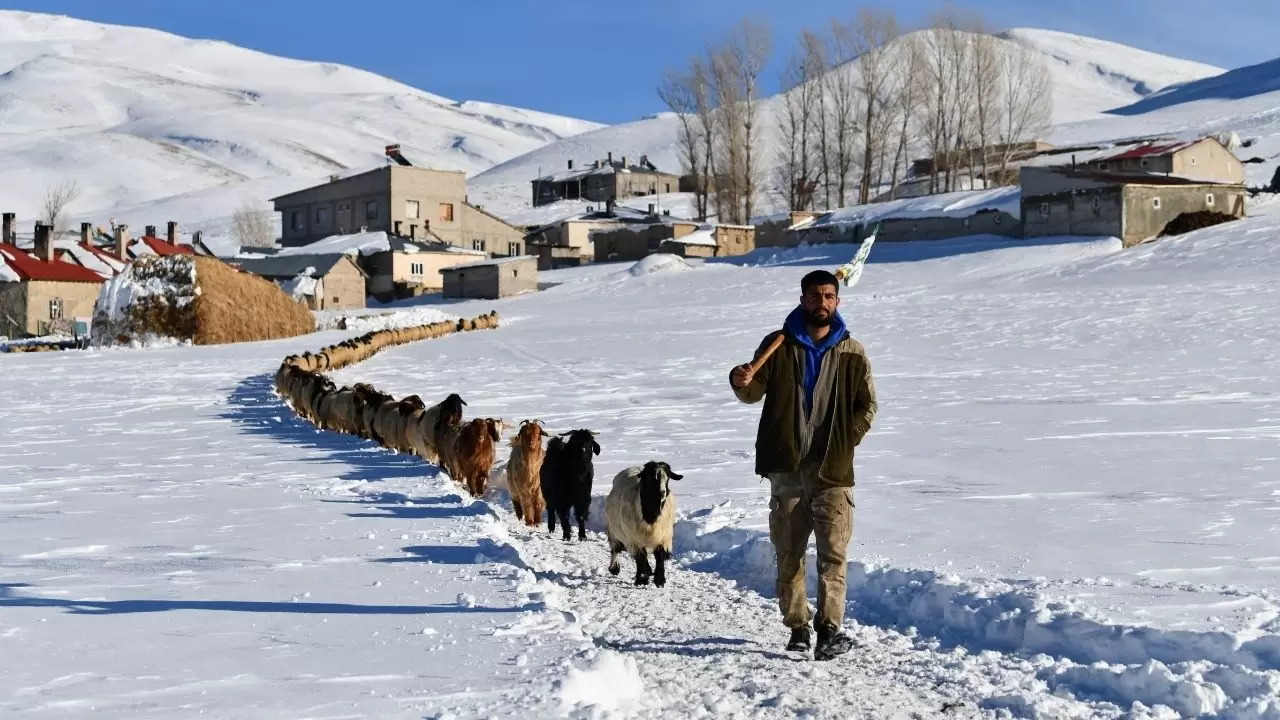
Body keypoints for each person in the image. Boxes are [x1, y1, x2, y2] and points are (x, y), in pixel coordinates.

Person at [728, 269, 877, 661]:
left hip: (833, 472)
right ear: (802, 300)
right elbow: (752, 391)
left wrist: (846, 440)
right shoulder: (778, 344)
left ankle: (829, 630)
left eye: (828, 296)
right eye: (814, 296)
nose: (821, 303)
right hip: (787, 469)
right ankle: (798, 627)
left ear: (837, 301)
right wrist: (740, 379)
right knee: (789, 554)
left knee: (833, 555)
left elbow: (867, 405)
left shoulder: (852, 351)